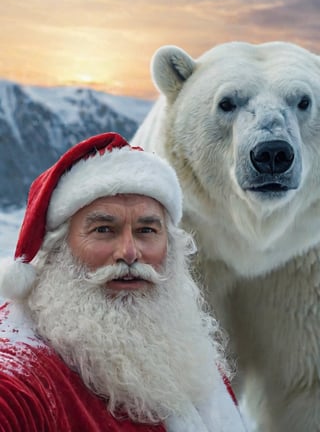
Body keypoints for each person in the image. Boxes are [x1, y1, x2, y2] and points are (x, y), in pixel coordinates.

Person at [0, 132, 247, 432]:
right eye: (104, 229)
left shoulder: (186, 351)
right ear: (57, 247)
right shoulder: (25, 366)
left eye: (146, 230)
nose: (130, 253)